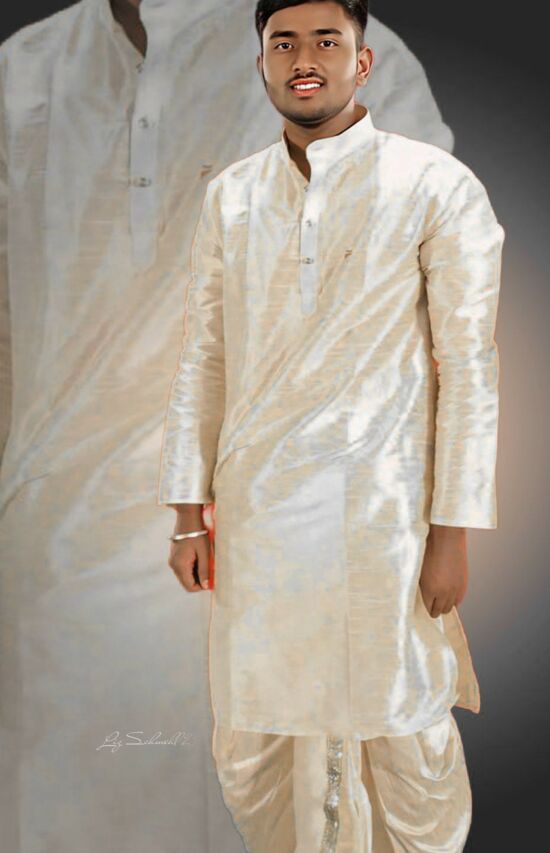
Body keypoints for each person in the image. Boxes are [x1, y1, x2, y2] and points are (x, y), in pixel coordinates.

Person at [0, 0, 458, 850]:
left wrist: (435, 534)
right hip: (49, 598)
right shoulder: (27, 69)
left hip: (284, 564)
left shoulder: (356, 65)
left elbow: (429, 347)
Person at [156, 0, 505, 850]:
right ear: (263, 64)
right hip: (259, 521)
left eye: (326, 41)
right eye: (283, 43)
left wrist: (452, 529)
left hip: (382, 520)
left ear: (363, 61)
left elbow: (468, 364)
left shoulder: (434, 184)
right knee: (255, 742)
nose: (303, 59)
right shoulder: (233, 195)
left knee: (403, 730)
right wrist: (186, 511)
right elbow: (205, 355)